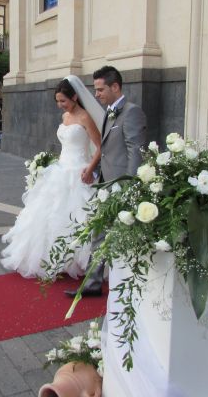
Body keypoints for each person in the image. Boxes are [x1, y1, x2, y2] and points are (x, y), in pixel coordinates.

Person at [0, 77, 103, 279]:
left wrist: (90, 169)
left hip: (80, 172)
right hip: (60, 169)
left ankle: (77, 261)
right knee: (50, 214)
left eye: (63, 100)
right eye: (57, 101)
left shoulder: (85, 118)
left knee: (76, 216)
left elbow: (100, 147)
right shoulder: (65, 117)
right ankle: (51, 259)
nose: (60, 105)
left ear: (74, 96)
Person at [66, 65, 147, 297]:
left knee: (122, 237)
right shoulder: (109, 112)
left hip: (121, 186)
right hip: (106, 184)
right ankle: (92, 284)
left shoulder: (132, 112)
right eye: (95, 89)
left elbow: (135, 152)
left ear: (115, 86)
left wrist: (128, 187)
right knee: (98, 234)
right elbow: (109, 149)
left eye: (101, 89)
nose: (97, 94)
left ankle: (127, 285)